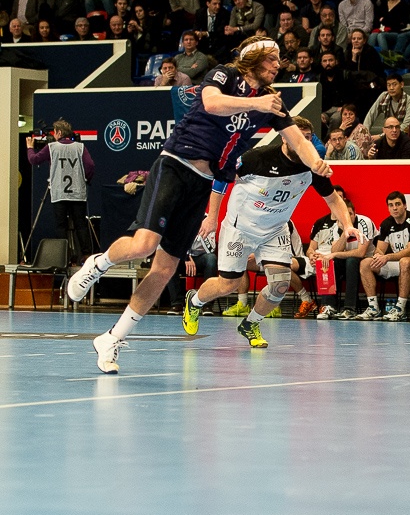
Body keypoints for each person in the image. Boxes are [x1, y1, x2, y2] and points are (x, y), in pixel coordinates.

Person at [67, 37, 333, 374]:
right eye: (272, 59)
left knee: (163, 271)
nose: (278, 65)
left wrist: (317, 164)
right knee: (144, 244)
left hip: (203, 182)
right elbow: (212, 103)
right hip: (176, 163)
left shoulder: (272, 103)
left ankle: (112, 338)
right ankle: (99, 262)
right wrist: (257, 105)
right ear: (253, 60)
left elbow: (298, 139)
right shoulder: (225, 76)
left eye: (279, 59)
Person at [181, 118, 357, 346]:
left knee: (280, 284)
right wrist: (212, 217)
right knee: (228, 285)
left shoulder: (313, 166)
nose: (301, 143)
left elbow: (333, 199)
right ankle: (194, 302)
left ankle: (250, 323)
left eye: (306, 139)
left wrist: (348, 225)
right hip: (240, 228)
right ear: (285, 136)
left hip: (274, 230)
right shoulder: (258, 157)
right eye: (297, 137)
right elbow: (221, 179)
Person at [25, 118, 95, 264]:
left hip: (59, 193)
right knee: (81, 224)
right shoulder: (80, 147)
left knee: (61, 226)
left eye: (55, 132)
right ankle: (87, 255)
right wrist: (85, 179)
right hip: (77, 193)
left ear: (59, 132)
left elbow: (34, 160)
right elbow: (89, 165)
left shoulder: (51, 147)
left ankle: (64, 256)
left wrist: (30, 147)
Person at [355, 191, 410, 322]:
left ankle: (400, 309)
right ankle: (373, 308)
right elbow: (380, 250)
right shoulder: (386, 224)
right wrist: (378, 256)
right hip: (394, 261)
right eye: (391, 205)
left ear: (405, 205)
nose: (394, 208)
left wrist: (387, 257)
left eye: (398, 204)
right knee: (365, 263)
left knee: (404, 262)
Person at [314, 196, 377, 320]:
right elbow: (334, 251)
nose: (349, 217)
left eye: (350, 214)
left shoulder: (364, 222)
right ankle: (328, 306)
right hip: (347, 259)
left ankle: (349, 308)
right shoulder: (335, 228)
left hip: (367, 260)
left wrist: (336, 254)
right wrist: (344, 232)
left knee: (351, 261)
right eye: (345, 215)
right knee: (328, 261)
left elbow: (360, 253)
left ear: (355, 213)